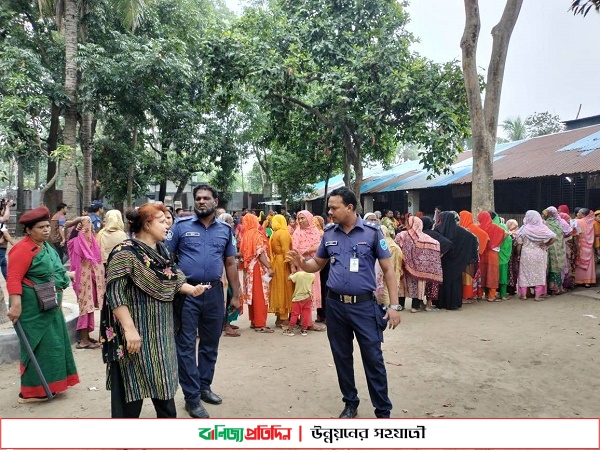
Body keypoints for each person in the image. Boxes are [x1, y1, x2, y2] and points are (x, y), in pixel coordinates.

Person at [287, 186, 401, 419]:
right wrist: (301, 261)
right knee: (342, 356)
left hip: (364, 307)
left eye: (334, 207)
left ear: (349, 207)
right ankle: (350, 402)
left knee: (373, 358)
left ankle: (383, 410)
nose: (330, 212)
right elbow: (316, 265)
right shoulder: (329, 234)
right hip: (336, 306)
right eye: (329, 208)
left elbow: (388, 270)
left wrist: (394, 305)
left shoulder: (372, 232)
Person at [100, 203, 208, 418]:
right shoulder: (125, 253)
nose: (167, 225)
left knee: (164, 387)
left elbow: (174, 278)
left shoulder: (163, 250)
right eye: (162, 221)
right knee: (131, 391)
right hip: (135, 334)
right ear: (147, 225)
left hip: (161, 334)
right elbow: (115, 294)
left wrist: (191, 289)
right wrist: (129, 330)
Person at [166, 183, 240, 418]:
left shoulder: (225, 230)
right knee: (186, 345)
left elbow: (230, 263)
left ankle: (204, 386)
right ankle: (192, 397)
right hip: (187, 294)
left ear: (215, 202)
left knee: (210, 343)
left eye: (206, 198)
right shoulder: (180, 227)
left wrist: (236, 294)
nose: (201, 201)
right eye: (198, 198)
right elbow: (166, 258)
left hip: (214, 293)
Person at [6, 206, 79, 403]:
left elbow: (53, 271)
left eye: (47, 226)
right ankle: (33, 390)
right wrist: (16, 305)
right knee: (37, 346)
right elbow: (13, 279)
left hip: (51, 305)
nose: (46, 230)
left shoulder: (47, 247)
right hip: (33, 308)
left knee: (54, 345)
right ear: (29, 230)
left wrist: (67, 275)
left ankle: (55, 384)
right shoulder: (21, 250)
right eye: (40, 227)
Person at [68, 216, 106, 349]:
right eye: (89, 230)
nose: (91, 232)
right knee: (85, 308)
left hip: (86, 280)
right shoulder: (80, 244)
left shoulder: (76, 241)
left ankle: (87, 337)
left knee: (88, 308)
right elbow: (86, 219)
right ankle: (83, 340)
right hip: (83, 280)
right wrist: (74, 221)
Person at [395, 216, 443, 313]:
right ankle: (415, 307)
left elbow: (396, 245)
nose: (407, 225)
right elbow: (436, 244)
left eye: (408, 223)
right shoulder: (426, 238)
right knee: (417, 287)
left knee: (402, 285)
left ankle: (400, 305)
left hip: (403, 265)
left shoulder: (402, 235)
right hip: (419, 269)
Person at [435, 211, 479, 310]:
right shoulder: (460, 231)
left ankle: (441, 303)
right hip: (456, 261)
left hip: (443, 260)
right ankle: (453, 304)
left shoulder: (438, 230)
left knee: (442, 282)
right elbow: (472, 239)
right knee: (455, 282)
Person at [240, 213, 274, 333]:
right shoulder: (257, 235)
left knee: (253, 295)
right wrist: (269, 267)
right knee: (260, 295)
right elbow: (260, 254)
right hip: (258, 269)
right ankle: (260, 324)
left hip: (249, 269)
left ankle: (254, 321)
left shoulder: (246, 235)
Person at [292, 210, 324, 329]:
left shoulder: (315, 231)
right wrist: (308, 250)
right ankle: (307, 322)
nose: (300, 220)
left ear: (309, 218)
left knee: (313, 292)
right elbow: (295, 250)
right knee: (305, 292)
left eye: (303, 218)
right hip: (303, 265)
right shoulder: (297, 233)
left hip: (315, 265)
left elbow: (320, 247)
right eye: (299, 218)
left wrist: (308, 250)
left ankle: (307, 321)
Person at [516, 210, 556, 301]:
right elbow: (554, 237)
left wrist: (518, 254)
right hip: (539, 254)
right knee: (539, 274)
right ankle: (537, 296)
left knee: (524, 274)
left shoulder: (523, 229)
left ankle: (524, 295)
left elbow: (519, 243)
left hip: (526, 254)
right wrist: (546, 245)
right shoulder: (543, 228)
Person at [218, 212, 241, 337]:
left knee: (229, 294)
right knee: (227, 296)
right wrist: (241, 254)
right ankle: (226, 325)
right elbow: (228, 256)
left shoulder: (229, 234)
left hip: (228, 269)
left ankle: (226, 323)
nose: (233, 223)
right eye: (231, 221)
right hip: (224, 272)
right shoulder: (223, 235)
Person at [268, 214, 294, 328]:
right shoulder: (283, 233)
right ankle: (284, 318)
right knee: (285, 288)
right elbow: (286, 251)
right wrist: (292, 265)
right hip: (283, 263)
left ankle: (279, 317)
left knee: (278, 288)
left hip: (276, 263)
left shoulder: (274, 234)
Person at [459, 211, 489, 303]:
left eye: (461, 216)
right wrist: (479, 252)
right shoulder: (474, 228)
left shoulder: (467, 229)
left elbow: (485, 236)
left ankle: (467, 295)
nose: (459, 218)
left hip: (467, 258)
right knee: (472, 276)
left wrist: (478, 251)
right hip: (474, 257)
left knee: (467, 276)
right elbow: (486, 237)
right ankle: (474, 294)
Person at [476, 211, 507, 302]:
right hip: (492, 253)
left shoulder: (478, 228)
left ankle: (480, 294)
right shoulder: (495, 227)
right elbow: (505, 233)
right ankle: (491, 296)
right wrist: (497, 243)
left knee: (482, 273)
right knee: (492, 273)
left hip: (481, 253)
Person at [283, 270, 316, 336]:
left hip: (298, 298)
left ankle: (290, 329)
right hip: (308, 297)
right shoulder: (312, 275)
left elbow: (289, 278)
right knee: (306, 314)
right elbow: (312, 283)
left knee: (294, 314)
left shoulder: (298, 274)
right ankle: (304, 330)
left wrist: (292, 273)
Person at [574, 208, 596, 288]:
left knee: (579, 262)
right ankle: (588, 281)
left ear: (582, 214)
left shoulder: (577, 221)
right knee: (589, 263)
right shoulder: (591, 222)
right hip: (589, 245)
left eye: (578, 213)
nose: (577, 214)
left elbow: (573, 231)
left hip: (580, 244)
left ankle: (578, 280)